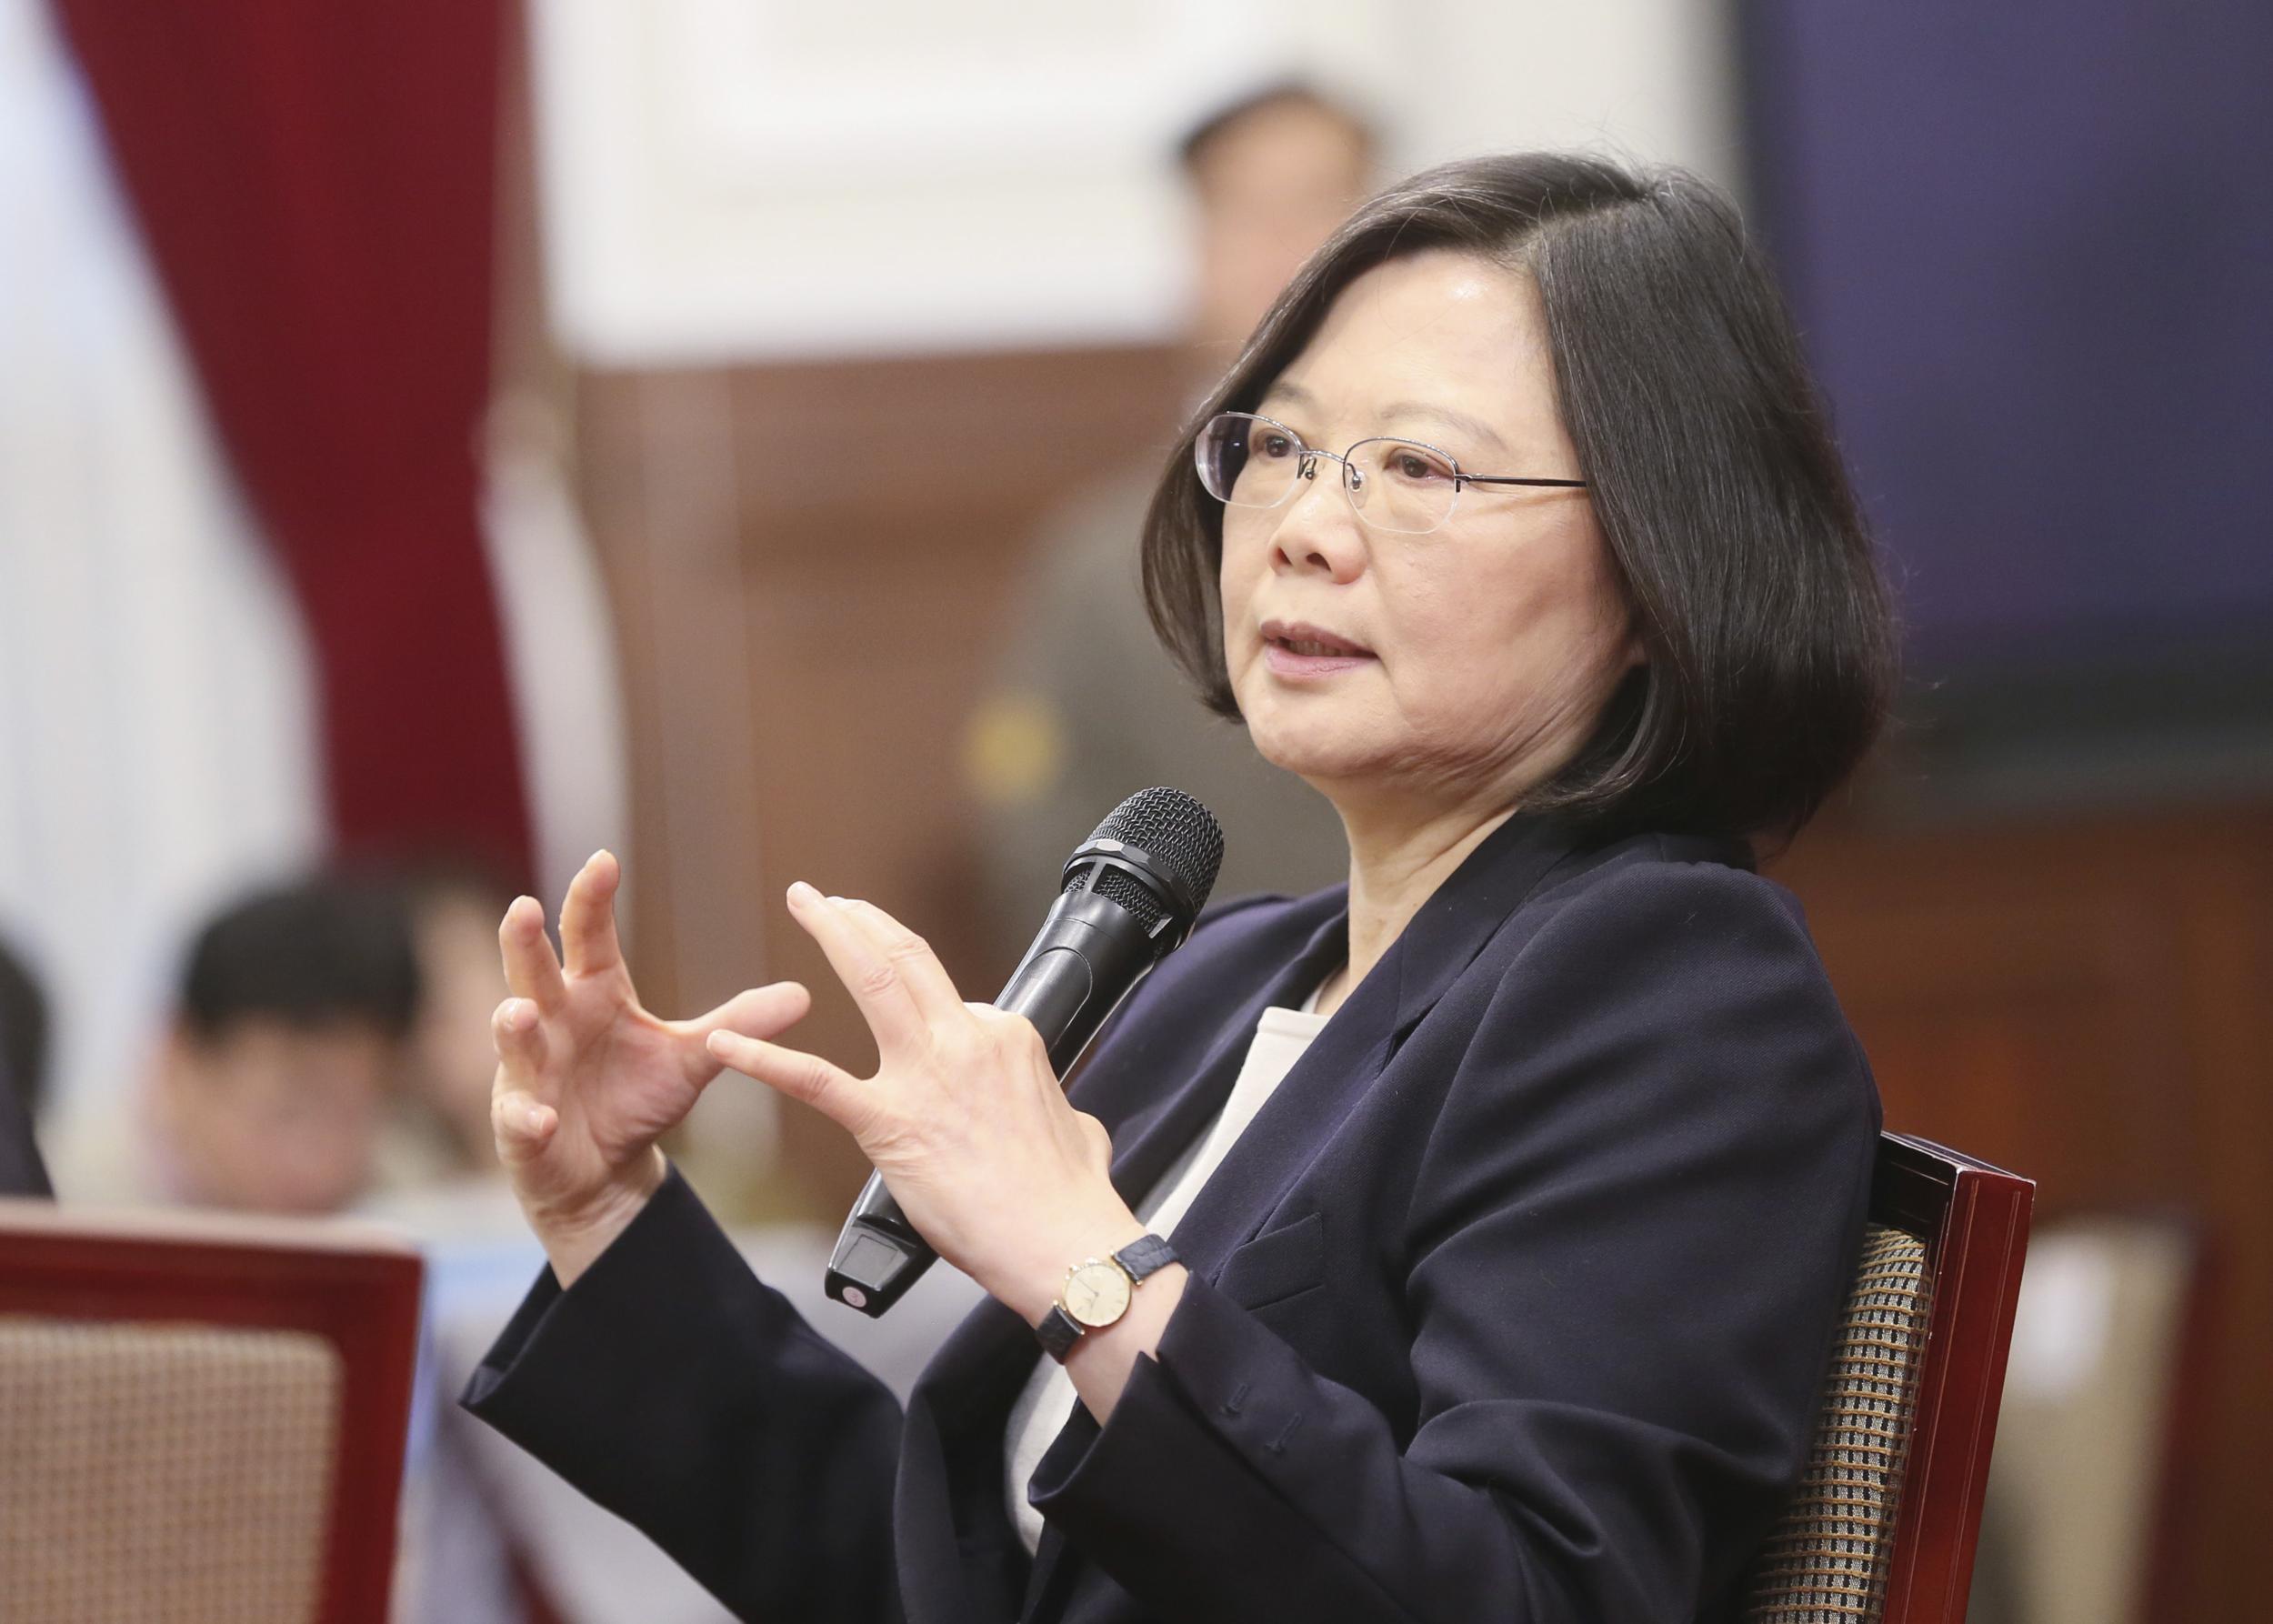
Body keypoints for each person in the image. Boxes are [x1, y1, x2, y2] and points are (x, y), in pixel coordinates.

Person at [464, 151, 1898, 1624]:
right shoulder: (1223, 977)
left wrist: (1082, 1262)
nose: (1304, 528)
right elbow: (949, 1586)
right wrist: (606, 1215)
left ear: (1661, 570)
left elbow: (1518, 1598)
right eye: (1278, 448)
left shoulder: (1676, 987)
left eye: (1419, 470)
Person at [966, 81, 1377, 958]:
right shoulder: (1100, 556)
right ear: (1196, 248)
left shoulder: (1461, 509)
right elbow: (1042, 827)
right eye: (1248, 210)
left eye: (1321, 204)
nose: (1288, 247)